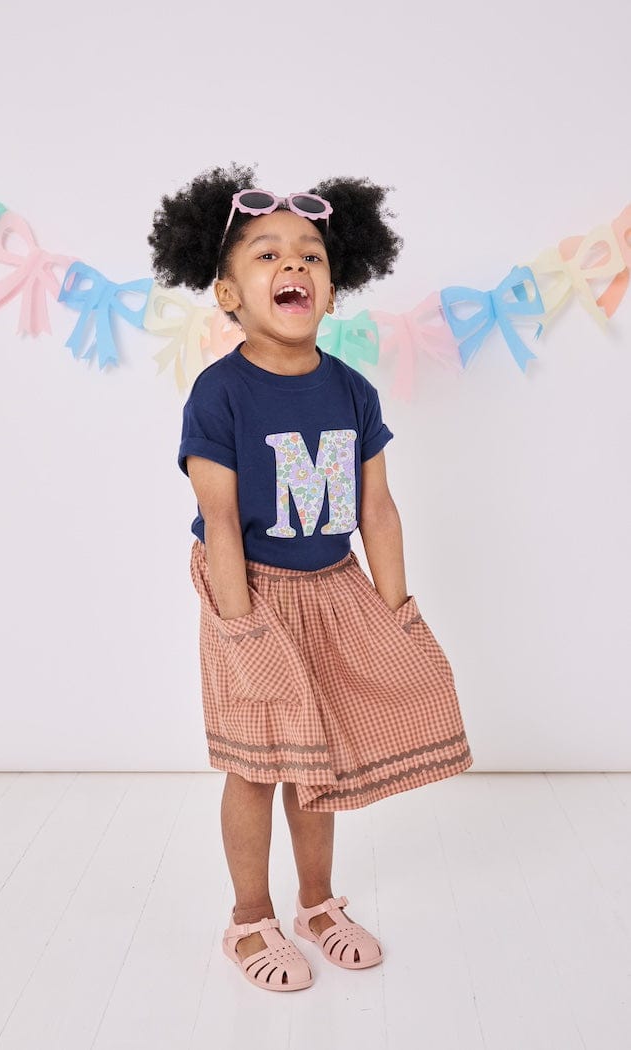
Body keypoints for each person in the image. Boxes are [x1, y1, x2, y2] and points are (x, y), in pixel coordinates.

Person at [148, 164, 474, 992]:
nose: (292, 264)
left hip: (334, 588)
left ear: (332, 290)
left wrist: (396, 612)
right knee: (257, 763)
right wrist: (240, 629)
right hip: (250, 590)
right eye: (267, 254)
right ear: (228, 294)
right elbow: (221, 519)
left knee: (318, 759)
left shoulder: (352, 390)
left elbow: (378, 509)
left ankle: (316, 903)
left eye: (310, 256)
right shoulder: (219, 395)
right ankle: (248, 916)